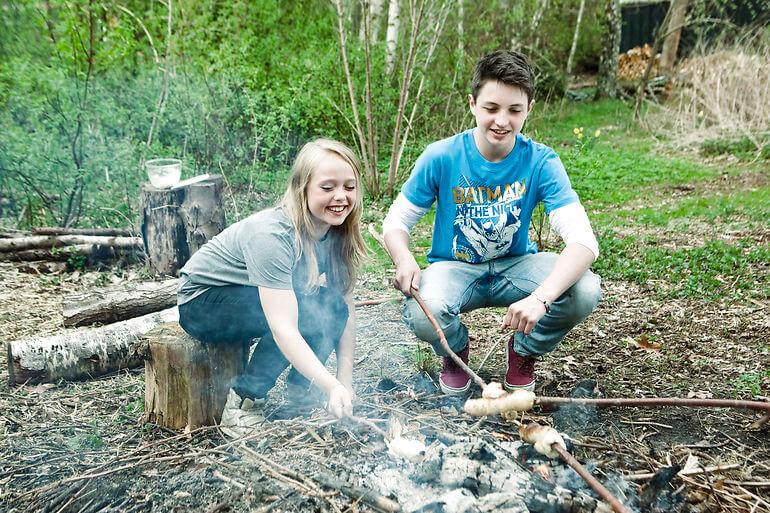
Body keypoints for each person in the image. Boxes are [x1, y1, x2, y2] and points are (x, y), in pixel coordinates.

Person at [382, 50, 602, 396]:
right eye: (491, 109)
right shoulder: (441, 156)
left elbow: (584, 242)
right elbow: (395, 221)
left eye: (515, 110)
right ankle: (455, 352)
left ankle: (523, 351)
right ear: (472, 104)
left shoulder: (541, 161)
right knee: (424, 311)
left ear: (529, 109)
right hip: (454, 268)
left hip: (516, 266)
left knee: (584, 290)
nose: (502, 121)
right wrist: (404, 258)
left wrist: (541, 299)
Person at [177, 138, 367, 435]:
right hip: (203, 302)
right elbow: (284, 327)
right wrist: (330, 383)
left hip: (249, 297)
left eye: (349, 186)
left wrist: (344, 382)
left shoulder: (337, 233)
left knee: (331, 306)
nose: (340, 196)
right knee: (305, 311)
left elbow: (345, 309)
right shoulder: (274, 235)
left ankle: (300, 393)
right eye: (327, 188)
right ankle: (244, 402)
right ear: (301, 188)